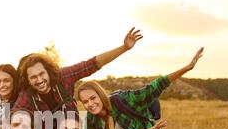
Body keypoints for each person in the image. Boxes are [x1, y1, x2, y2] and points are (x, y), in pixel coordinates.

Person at [14, 27, 144, 115]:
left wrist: (124, 47)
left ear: (48, 71)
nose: (39, 80)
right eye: (33, 77)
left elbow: (94, 63)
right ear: (28, 81)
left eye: (41, 74)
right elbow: (15, 112)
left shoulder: (63, 76)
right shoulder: (27, 94)